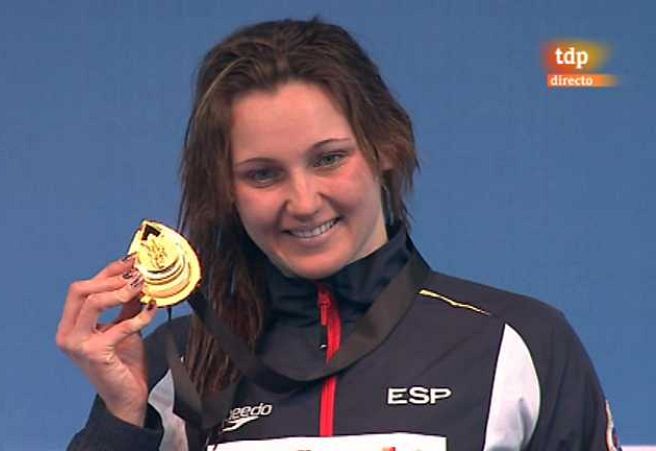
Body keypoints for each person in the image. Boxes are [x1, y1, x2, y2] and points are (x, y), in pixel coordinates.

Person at [56, 18, 620, 451]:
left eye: (328, 159)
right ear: (225, 190)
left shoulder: (516, 345)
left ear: (386, 148)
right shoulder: (170, 367)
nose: (302, 202)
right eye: (263, 173)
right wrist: (120, 419)